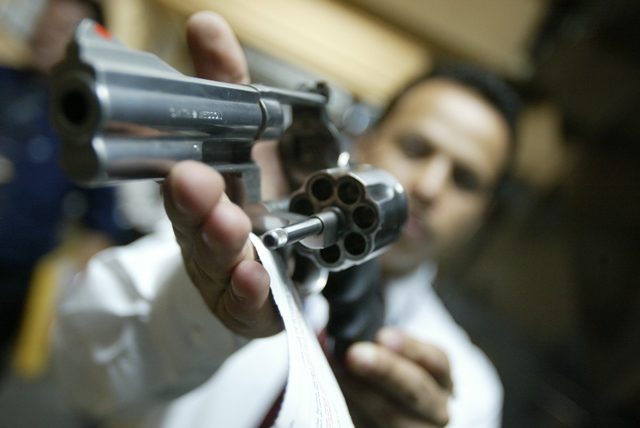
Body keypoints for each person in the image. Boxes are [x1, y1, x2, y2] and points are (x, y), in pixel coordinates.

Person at [52, 11, 519, 428]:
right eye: (415, 148)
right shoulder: (230, 231)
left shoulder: (471, 393)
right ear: (366, 142)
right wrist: (208, 305)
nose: (430, 187)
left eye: (465, 180)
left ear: (483, 214)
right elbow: (80, 375)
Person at [0, 0, 124, 366]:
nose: (47, 34)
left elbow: (100, 224)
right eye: (46, 22)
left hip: (14, 278)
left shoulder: (86, 121)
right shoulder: (4, 81)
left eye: (63, 30)